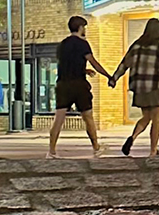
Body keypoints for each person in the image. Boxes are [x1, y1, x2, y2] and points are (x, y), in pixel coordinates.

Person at [110, 18, 159, 157]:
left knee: (146, 117)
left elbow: (125, 63)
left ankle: (133, 137)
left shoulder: (137, 45)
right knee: (156, 119)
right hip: (156, 86)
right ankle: (153, 150)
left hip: (140, 88)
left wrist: (114, 78)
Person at [48, 15, 112, 158]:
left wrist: (85, 70)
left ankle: (51, 151)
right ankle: (96, 148)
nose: (85, 30)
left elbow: (67, 65)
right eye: (84, 27)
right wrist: (108, 76)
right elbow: (93, 61)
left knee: (58, 118)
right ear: (80, 28)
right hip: (78, 85)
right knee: (87, 116)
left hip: (63, 84)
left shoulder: (62, 45)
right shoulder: (83, 44)